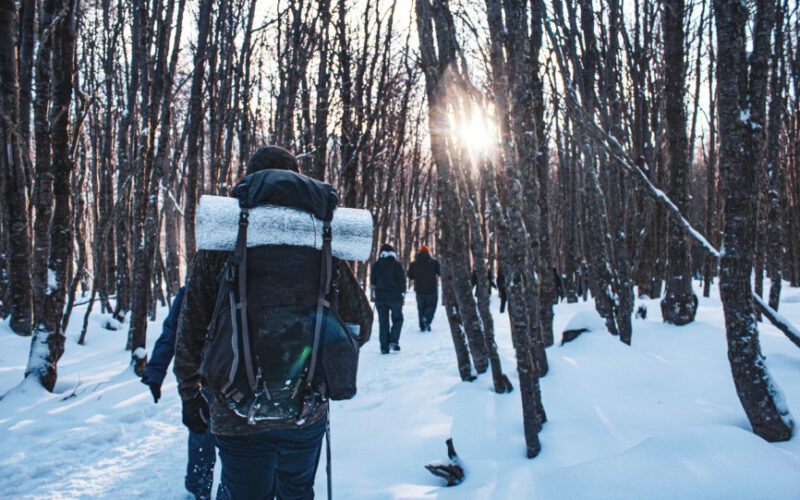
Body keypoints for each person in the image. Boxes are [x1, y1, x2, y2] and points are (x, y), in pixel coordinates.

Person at [174, 146, 373, 500]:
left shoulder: (225, 236)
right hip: (305, 409)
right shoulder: (320, 238)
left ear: (249, 179)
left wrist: (190, 396)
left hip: (233, 412)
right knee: (297, 492)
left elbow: (190, 329)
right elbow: (362, 322)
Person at [141, 286, 216, 500]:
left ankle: (227, 491)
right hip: (204, 380)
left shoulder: (249, 279)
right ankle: (198, 492)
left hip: (240, 381)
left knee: (241, 448)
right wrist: (155, 371)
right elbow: (172, 331)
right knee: (202, 435)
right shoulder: (195, 289)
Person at [371, 243, 406, 353]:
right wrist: (403, 293)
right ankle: (393, 341)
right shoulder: (397, 265)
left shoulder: (376, 265)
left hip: (380, 298)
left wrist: (374, 294)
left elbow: (373, 282)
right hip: (395, 298)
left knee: (383, 323)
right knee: (398, 319)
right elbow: (402, 281)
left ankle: (384, 347)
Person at [407, 246, 440, 332]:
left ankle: (422, 326)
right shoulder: (434, 262)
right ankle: (427, 320)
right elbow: (440, 272)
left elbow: (410, 276)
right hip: (431, 289)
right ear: (428, 253)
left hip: (419, 290)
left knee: (421, 308)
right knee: (431, 306)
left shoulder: (414, 264)